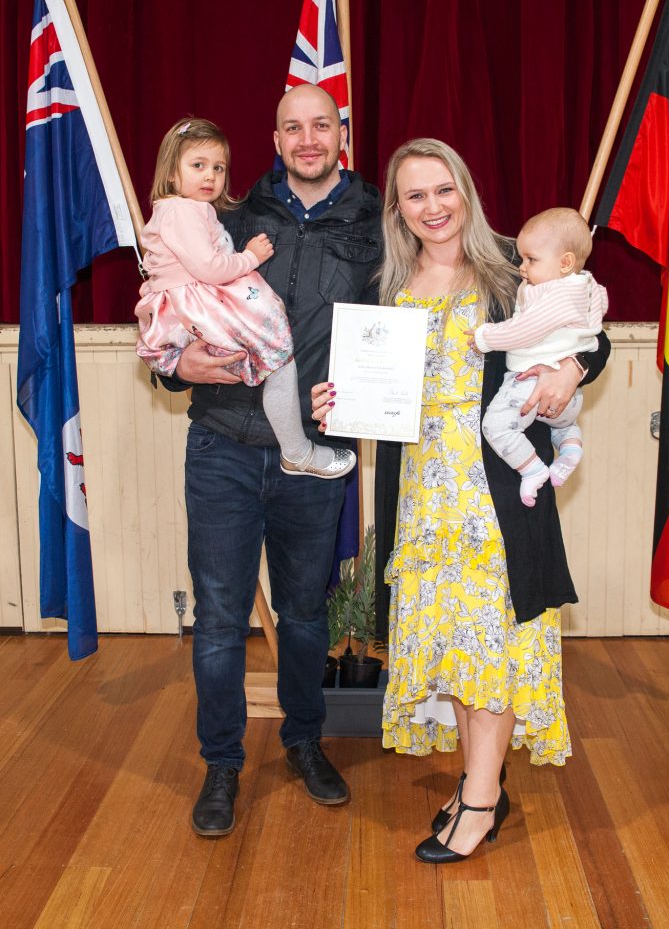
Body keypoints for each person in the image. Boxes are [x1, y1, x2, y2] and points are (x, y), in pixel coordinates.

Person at [325, 138, 608, 864]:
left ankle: (480, 802)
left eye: (444, 189)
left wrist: (572, 369)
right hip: (421, 499)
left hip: (496, 495)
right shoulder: (387, 284)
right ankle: (481, 781)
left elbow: (592, 331)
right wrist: (338, 401)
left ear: (466, 192)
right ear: (398, 209)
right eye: (415, 195)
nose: (433, 207)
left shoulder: (517, 267)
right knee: (454, 644)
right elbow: (372, 389)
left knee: (493, 645)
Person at [157, 86, 382, 836]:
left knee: (306, 614)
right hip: (221, 445)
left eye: (321, 125)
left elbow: (424, 313)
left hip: (313, 456)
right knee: (221, 619)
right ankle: (222, 764)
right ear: (276, 139)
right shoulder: (226, 215)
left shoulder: (380, 222)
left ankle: (304, 742)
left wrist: (573, 354)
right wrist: (177, 365)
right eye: (293, 127)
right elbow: (168, 306)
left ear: (341, 134)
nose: (307, 139)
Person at [135, 117, 356, 480]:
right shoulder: (182, 211)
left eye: (218, 168)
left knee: (274, 359)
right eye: (197, 165)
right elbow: (209, 268)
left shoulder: (191, 209)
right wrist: (250, 257)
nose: (210, 176)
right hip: (203, 312)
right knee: (279, 359)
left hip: (201, 304)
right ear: (172, 173)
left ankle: (294, 446)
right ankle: (297, 451)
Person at [468, 206, 609, 506]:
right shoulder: (585, 285)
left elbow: (524, 329)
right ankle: (570, 446)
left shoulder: (554, 295)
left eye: (531, 260)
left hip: (532, 387)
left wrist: (484, 337)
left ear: (565, 262)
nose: (522, 268)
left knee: (496, 426)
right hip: (565, 404)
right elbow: (597, 316)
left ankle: (532, 470)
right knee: (561, 425)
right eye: (522, 259)